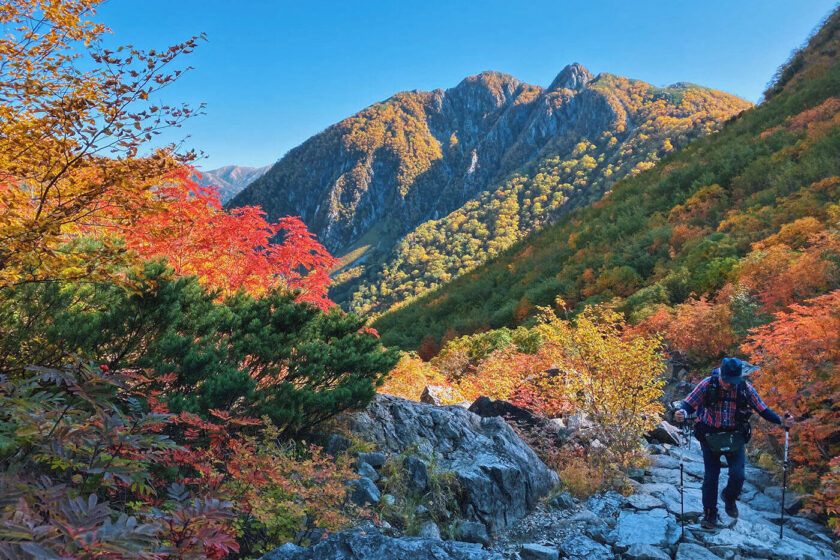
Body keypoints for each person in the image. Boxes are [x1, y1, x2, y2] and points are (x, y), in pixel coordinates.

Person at [674, 357, 794, 529]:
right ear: (721, 373)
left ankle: (729, 497)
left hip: (735, 436)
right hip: (710, 435)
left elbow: (763, 410)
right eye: (727, 380)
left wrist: (781, 421)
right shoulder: (707, 384)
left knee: (738, 475)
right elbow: (687, 405)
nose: (729, 385)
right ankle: (710, 514)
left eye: (733, 381)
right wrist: (681, 413)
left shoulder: (744, 388)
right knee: (711, 477)